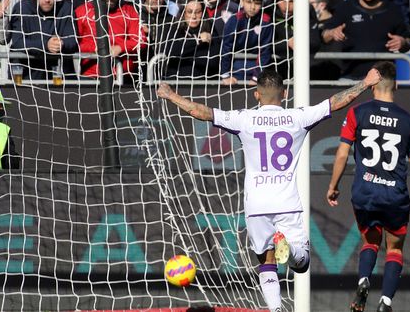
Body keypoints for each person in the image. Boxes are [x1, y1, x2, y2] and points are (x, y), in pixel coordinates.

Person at [156, 67, 382, 312]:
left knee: (266, 262)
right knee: (301, 264)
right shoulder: (298, 117)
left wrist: (171, 95)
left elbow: (200, 111)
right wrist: (365, 83)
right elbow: (337, 102)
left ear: (256, 95)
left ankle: (275, 310)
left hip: (256, 205)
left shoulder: (244, 119)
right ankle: (292, 249)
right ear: (284, 93)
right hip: (286, 201)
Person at [327, 61, 410, 312]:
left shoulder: (357, 113)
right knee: (395, 247)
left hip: (364, 191)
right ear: (396, 85)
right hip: (394, 194)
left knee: (370, 241)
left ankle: (364, 279)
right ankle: (386, 301)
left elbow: (343, 153)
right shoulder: (408, 121)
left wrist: (333, 185)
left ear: (374, 84)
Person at [321, 0, 410, 79]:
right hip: (350, 76)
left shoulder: (393, 10)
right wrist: (332, 33)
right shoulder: (345, 8)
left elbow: (407, 41)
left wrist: (402, 42)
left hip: (383, 78)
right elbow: (324, 36)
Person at [9, 0, 79, 80]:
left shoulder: (66, 8)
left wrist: (62, 43)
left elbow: (74, 41)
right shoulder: (21, 9)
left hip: (59, 76)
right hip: (28, 76)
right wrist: (46, 45)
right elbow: (18, 42)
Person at [75, 0, 144, 78]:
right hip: (91, 77)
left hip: (124, 77)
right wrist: (95, 48)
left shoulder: (129, 11)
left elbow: (141, 40)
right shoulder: (83, 11)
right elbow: (75, 44)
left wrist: (120, 47)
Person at [220, 0, 273, 84]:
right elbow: (226, 48)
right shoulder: (234, 20)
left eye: (257, 3)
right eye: (249, 2)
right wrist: (225, 75)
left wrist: (256, 77)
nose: (252, 7)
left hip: (257, 71)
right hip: (234, 70)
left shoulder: (266, 22)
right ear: (242, 1)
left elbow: (265, 51)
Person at [161, 0, 215, 79]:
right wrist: (197, 40)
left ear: (203, 13)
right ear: (183, 13)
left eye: (198, 12)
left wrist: (186, 55)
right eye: (190, 12)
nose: (193, 16)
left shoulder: (210, 28)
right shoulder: (174, 28)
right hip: (176, 81)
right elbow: (169, 50)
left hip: (202, 83)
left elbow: (213, 61)